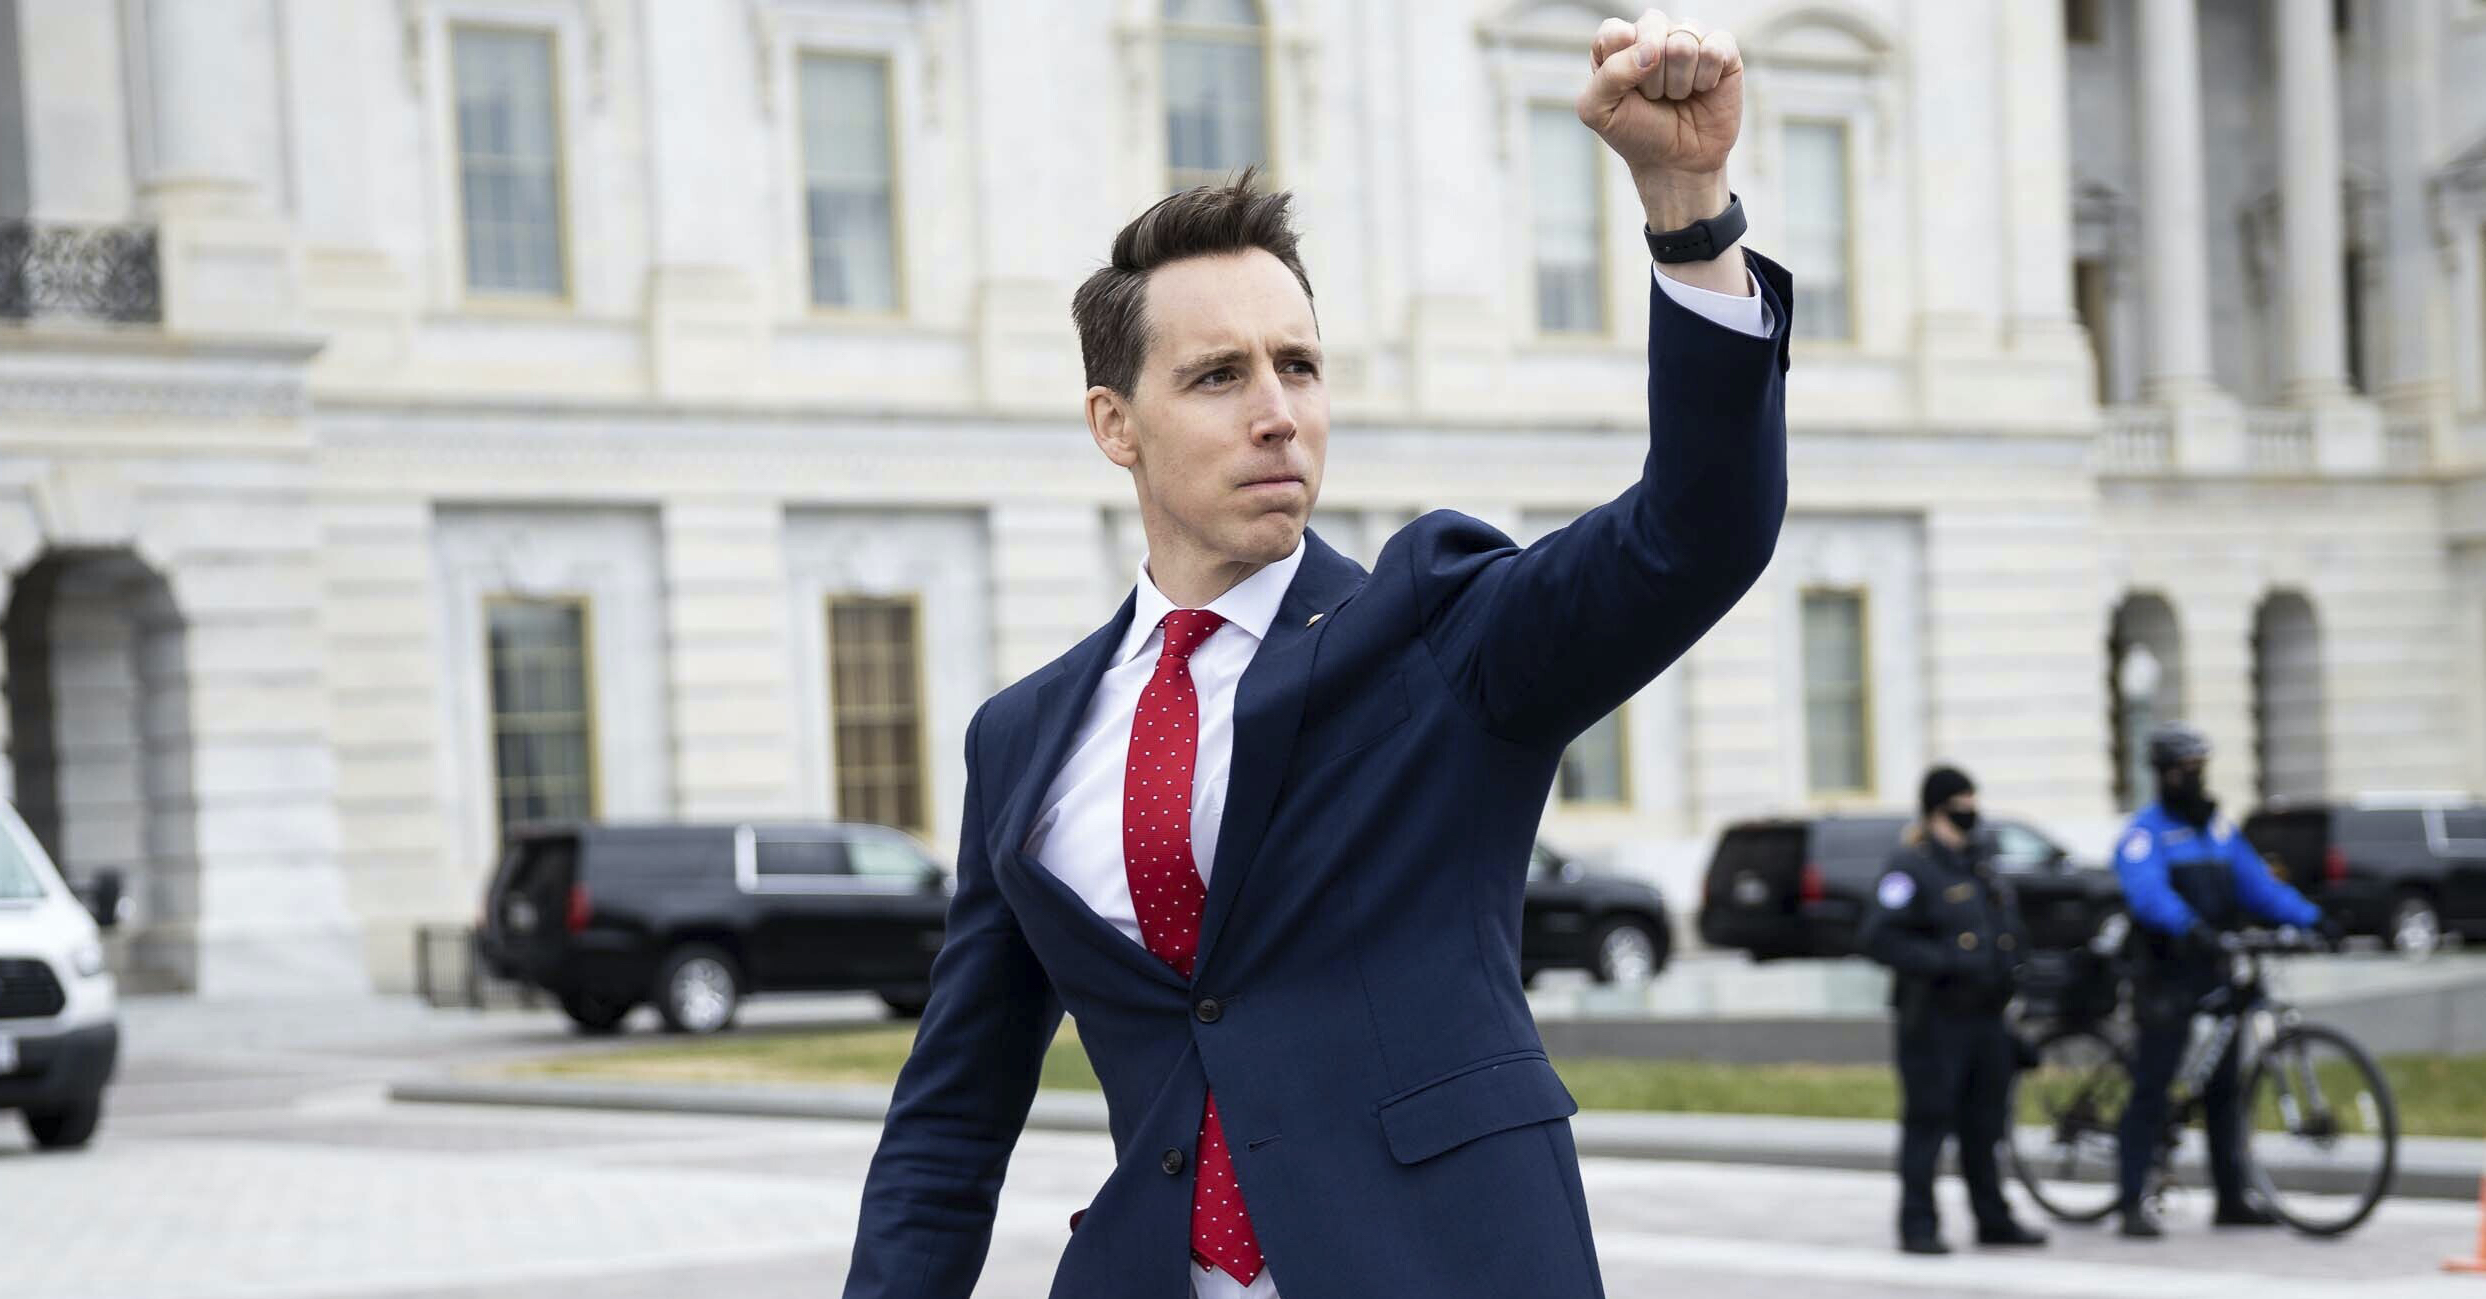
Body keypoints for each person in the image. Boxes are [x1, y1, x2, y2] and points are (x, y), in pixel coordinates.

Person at [842, 12, 1788, 1298]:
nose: (1278, 413)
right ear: (1114, 426)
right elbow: (951, 1115)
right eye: (1219, 376)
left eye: (1299, 365)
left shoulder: (1439, 636)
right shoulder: (1021, 737)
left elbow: (1695, 534)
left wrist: (1688, 211)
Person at [2112, 721, 2338, 1238]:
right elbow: (2147, 895)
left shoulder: (2216, 830)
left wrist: (2310, 917)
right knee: (2153, 1086)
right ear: (2164, 774)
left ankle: (2231, 1196)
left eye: (2199, 769)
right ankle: (2129, 1200)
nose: (2194, 778)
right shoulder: (2144, 833)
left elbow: (2258, 886)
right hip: (2166, 973)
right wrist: (2187, 927)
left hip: (2214, 968)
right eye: (2185, 770)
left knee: (2223, 1087)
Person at [1857, 766, 2049, 1256]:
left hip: (1986, 1016)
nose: (1970, 812)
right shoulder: (1910, 866)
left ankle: (1993, 1218)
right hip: (1935, 1018)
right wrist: (1946, 963)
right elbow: (1878, 937)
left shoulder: (1978, 863)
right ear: (1937, 809)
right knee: (1928, 1122)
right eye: (1960, 804)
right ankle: (1918, 1225)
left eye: (1972, 801)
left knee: (1985, 1124)